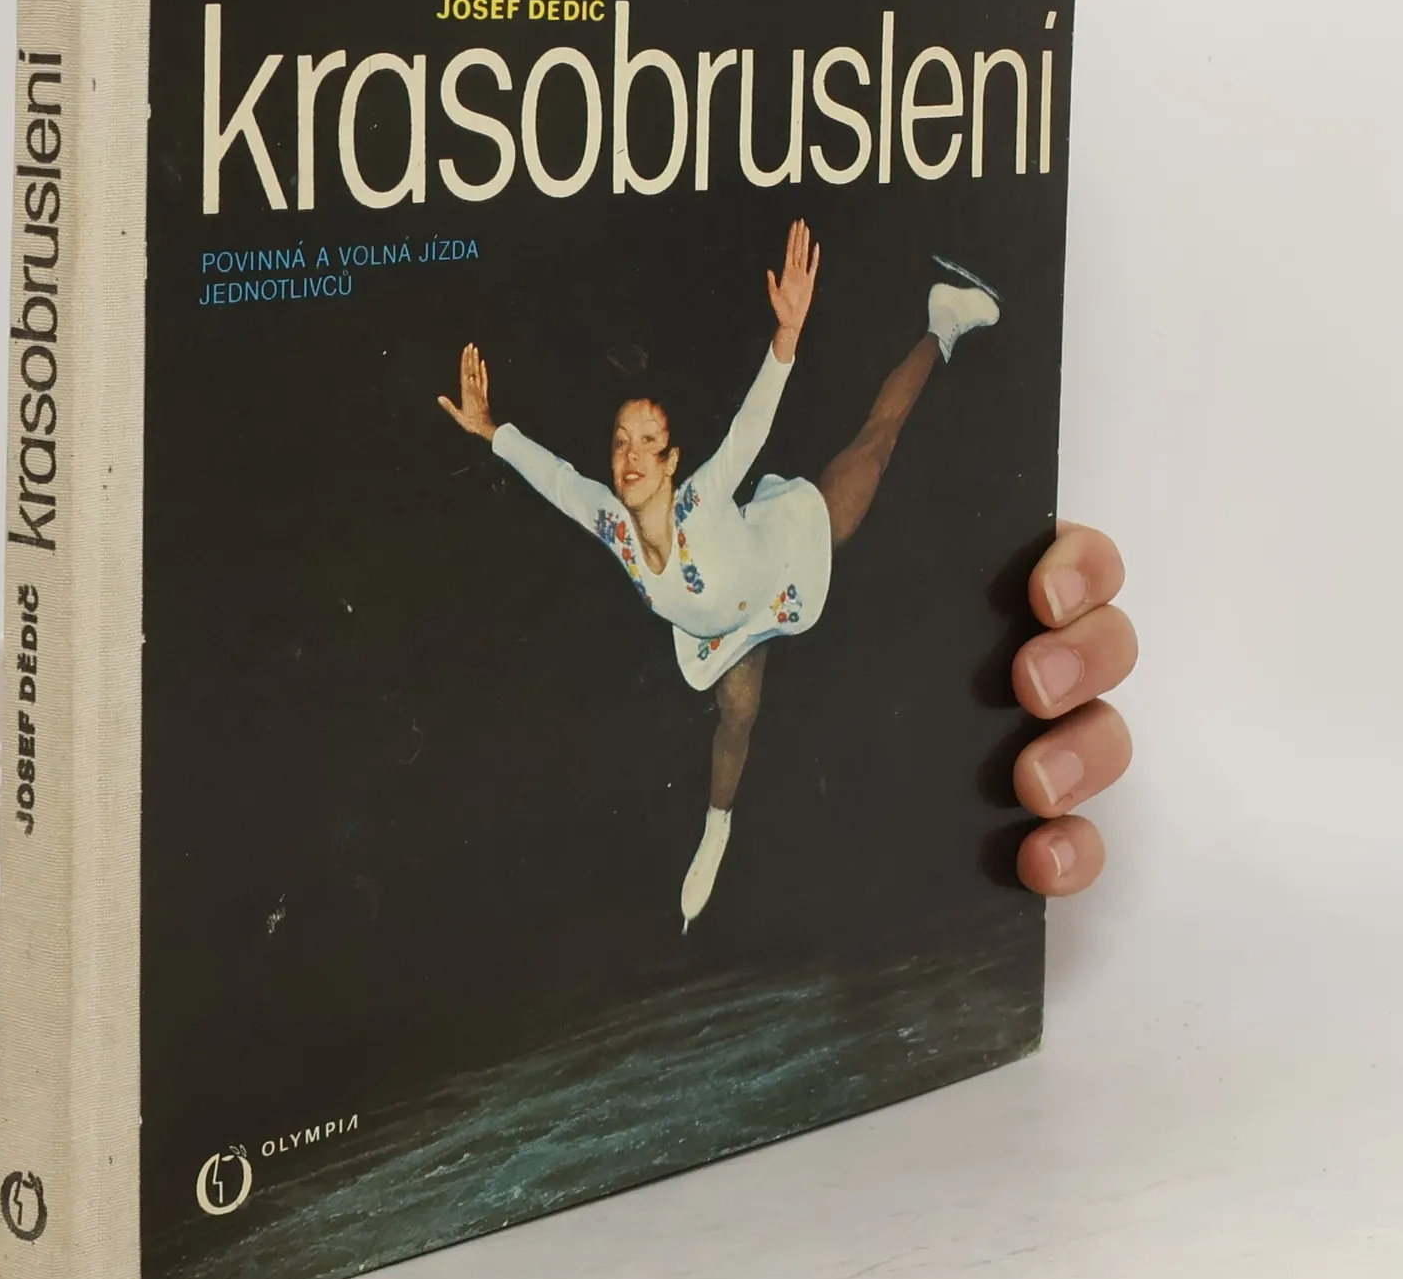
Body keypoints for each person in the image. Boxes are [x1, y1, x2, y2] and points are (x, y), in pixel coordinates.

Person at [439, 219, 1136, 926]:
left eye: (648, 441)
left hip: (787, 553)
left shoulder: (701, 498)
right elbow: (559, 480)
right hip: (726, 632)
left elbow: (749, 428)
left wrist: (786, 336)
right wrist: (490, 429)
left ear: (672, 462)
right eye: (621, 441)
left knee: (876, 445)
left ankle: (941, 322)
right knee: (737, 721)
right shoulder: (614, 525)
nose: (631, 454)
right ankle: (716, 830)